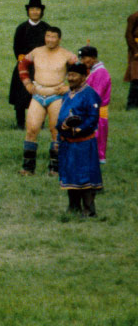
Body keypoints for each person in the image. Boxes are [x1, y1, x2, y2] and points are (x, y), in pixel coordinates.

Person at [17, 25, 75, 175]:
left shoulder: (67, 55)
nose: (50, 39)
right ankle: (28, 168)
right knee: (31, 129)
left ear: (59, 39)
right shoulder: (36, 52)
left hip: (56, 95)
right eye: (48, 36)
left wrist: (69, 87)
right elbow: (22, 64)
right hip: (38, 94)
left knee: (55, 130)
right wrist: (27, 83)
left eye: (53, 37)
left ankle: (55, 168)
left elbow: (84, 71)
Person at [57, 63, 103, 216]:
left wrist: (79, 129)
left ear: (83, 77)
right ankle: (73, 207)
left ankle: (89, 210)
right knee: (70, 173)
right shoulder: (67, 95)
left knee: (85, 175)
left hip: (84, 143)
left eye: (74, 75)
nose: (70, 78)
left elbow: (93, 118)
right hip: (67, 143)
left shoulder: (90, 95)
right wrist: (60, 131)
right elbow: (62, 116)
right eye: (69, 75)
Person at [9, 0, 47, 129]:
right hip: (24, 65)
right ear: (28, 11)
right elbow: (16, 48)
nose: (35, 12)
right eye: (32, 9)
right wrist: (23, 62)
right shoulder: (21, 28)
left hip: (41, 66)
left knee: (40, 94)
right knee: (20, 95)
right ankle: (20, 123)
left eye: (37, 9)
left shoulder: (46, 28)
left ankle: (40, 123)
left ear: (41, 11)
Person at [77, 45, 111, 163]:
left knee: (95, 140)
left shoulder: (100, 72)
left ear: (93, 57)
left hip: (96, 113)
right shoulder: (93, 71)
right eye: (81, 59)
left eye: (84, 58)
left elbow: (96, 95)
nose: (82, 61)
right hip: (91, 111)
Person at [126, 0, 138, 111]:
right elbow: (128, 35)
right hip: (136, 52)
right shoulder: (134, 17)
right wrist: (135, 50)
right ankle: (131, 104)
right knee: (136, 77)